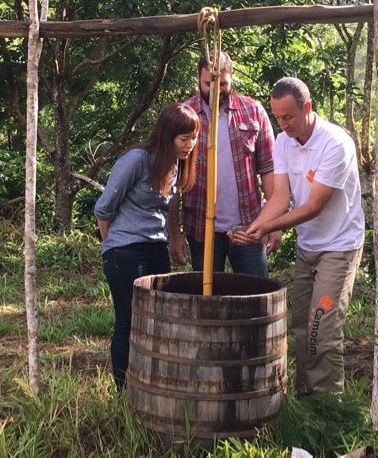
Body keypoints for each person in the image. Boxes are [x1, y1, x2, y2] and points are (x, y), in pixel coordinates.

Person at [230, 77, 364, 397]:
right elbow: (279, 197)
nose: (283, 124)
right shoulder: (283, 142)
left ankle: (329, 404)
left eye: (288, 116)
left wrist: (267, 228)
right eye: (277, 117)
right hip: (308, 246)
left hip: (339, 247)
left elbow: (314, 206)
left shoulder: (335, 144)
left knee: (322, 327)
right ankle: (307, 398)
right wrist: (254, 228)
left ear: (307, 108)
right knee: (302, 325)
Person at [94, 103, 199, 391]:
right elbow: (104, 209)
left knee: (159, 321)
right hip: (125, 251)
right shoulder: (136, 160)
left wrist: (174, 238)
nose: (190, 145)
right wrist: (112, 247)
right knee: (129, 319)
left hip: (156, 248)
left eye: (194, 138)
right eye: (184, 139)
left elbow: (169, 206)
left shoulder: (176, 163)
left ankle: (152, 388)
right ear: (167, 136)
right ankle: (122, 391)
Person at [168, 51, 281, 278]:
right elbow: (172, 180)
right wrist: (174, 233)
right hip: (201, 228)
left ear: (232, 78)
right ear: (198, 78)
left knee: (255, 291)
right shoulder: (185, 115)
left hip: (249, 225)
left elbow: (269, 169)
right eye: (208, 83)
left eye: (223, 84)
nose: (216, 90)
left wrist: (274, 223)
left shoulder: (253, 111)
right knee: (207, 296)